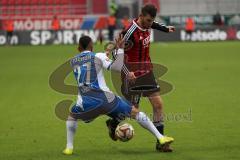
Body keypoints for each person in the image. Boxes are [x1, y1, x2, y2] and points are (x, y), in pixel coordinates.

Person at [62, 35, 174, 155]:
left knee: (71, 117)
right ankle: (161, 138)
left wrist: (104, 55)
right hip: (106, 100)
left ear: (78, 48)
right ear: (92, 46)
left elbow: (90, 64)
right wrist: (120, 49)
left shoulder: (73, 61)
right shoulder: (98, 56)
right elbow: (116, 67)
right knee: (135, 112)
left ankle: (69, 147)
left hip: (85, 103)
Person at [106, 4, 175, 152]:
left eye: (152, 21)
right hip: (132, 75)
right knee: (134, 110)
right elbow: (115, 53)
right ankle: (113, 122)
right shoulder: (130, 31)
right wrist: (127, 71)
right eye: (148, 20)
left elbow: (154, 24)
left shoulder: (148, 23)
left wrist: (165, 28)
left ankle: (161, 142)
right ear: (141, 16)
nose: (150, 24)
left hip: (147, 72)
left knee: (158, 105)